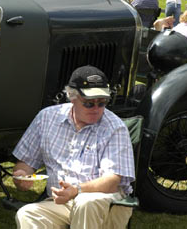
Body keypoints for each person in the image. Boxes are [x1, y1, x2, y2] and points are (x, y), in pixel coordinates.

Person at [13, 65, 135, 229]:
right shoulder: (47, 118)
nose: (96, 109)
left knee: (86, 202)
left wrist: (77, 190)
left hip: (106, 202)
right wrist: (22, 175)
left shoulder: (115, 128)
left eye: (102, 102)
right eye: (89, 103)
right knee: (27, 214)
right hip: (62, 203)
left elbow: (112, 182)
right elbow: (26, 162)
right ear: (71, 96)